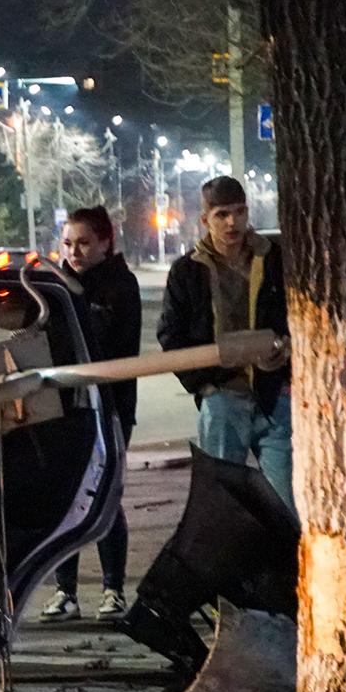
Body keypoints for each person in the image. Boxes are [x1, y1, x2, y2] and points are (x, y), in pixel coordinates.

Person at [157, 176, 294, 513]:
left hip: (273, 396)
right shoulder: (187, 272)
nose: (232, 222)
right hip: (222, 398)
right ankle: (231, 566)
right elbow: (171, 337)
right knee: (224, 500)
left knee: (287, 502)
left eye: (239, 211)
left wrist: (289, 369)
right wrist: (204, 386)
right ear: (205, 220)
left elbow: (296, 317)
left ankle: (287, 565)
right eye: (221, 214)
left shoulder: (273, 260)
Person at [40, 207, 142, 620]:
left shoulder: (120, 285)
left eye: (83, 243)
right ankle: (65, 592)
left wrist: (77, 297)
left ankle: (113, 589)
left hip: (110, 407)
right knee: (65, 499)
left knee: (104, 497)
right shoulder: (55, 284)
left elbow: (113, 344)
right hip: (64, 408)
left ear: (105, 242)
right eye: (67, 243)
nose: (74, 252)